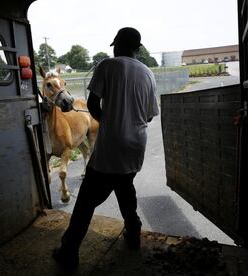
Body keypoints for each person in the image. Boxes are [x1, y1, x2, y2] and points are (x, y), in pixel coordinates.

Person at [53, 27, 159, 269]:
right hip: (136, 147)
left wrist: (111, 122)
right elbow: (150, 116)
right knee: (124, 185)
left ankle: (69, 253)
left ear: (116, 45)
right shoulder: (148, 74)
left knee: (85, 203)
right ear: (138, 48)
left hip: (111, 148)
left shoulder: (106, 66)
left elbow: (92, 104)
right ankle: (133, 234)